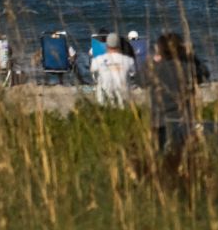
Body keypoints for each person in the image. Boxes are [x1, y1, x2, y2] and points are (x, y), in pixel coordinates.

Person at [146, 31, 209, 165]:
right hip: (184, 120)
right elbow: (204, 75)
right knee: (185, 158)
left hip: (159, 120)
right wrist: (192, 57)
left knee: (160, 157)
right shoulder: (188, 67)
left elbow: (139, 79)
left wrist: (153, 60)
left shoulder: (155, 68)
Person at [88, 32, 136, 107]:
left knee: (100, 81)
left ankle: (102, 106)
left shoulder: (98, 60)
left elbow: (92, 69)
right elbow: (133, 73)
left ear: (106, 45)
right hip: (123, 92)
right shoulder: (128, 60)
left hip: (105, 93)